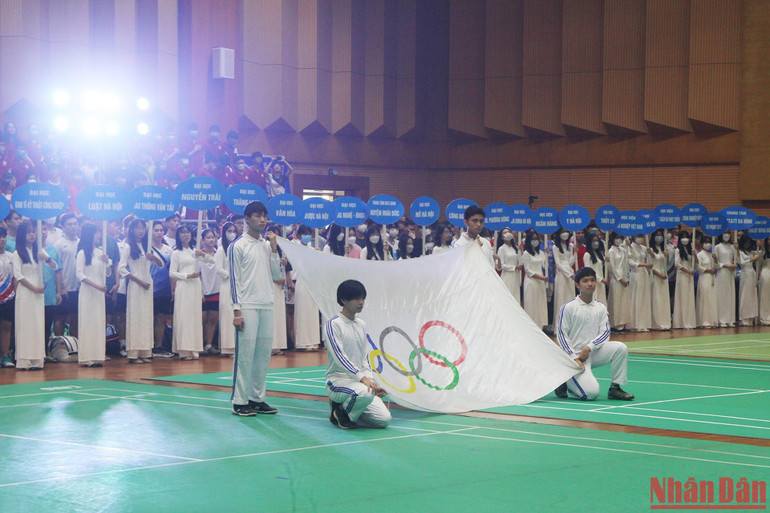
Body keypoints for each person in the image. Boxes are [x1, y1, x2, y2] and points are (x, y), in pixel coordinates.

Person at [229, 201, 282, 416]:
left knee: (262, 357)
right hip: (247, 307)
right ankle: (239, 401)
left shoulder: (266, 245)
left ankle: (257, 398)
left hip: (266, 304)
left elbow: (277, 276)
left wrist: (274, 250)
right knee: (245, 356)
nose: (262, 220)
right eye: (258, 216)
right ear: (247, 219)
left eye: (265, 216)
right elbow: (234, 280)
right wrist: (237, 311)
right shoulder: (238, 245)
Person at [556, 266, 634, 401]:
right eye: (585, 281)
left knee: (620, 348)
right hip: (575, 357)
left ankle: (615, 388)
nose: (590, 284)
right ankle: (565, 379)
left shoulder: (601, 308)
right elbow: (561, 335)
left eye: (592, 280)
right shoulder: (568, 307)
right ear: (577, 285)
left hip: (592, 352)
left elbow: (605, 333)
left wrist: (589, 347)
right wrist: (574, 357)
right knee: (591, 394)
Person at [325, 279, 391, 429]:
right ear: (343, 300)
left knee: (384, 419)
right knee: (365, 393)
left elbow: (364, 358)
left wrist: (372, 381)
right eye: (356, 298)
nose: (361, 302)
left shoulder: (361, 324)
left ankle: (350, 407)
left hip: (359, 384)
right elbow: (340, 357)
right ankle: (340, 410)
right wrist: (363, 379)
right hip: (337, 381)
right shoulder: (333, 324)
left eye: (362, 298)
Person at [14, 221, 57, 369]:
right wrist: (34, 288)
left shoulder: (38, 251)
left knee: (38, 324)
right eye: (29, 232)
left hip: (38, 294)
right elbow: (18, 276)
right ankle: (25, 360)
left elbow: (54, 266)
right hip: (26, 293)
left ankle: (38, 359)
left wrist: (46, 258)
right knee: (26, 325)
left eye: (33, 232)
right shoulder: (17, 253)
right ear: (22, 234)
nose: (32, 235)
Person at [120, 219, 163, 364]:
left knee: (146, 317)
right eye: (137, 228)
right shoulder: (128, 246)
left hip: (148, 285)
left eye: (142, 228)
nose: (140, 231)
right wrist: (138, 280)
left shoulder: (146, 246)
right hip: (136, 285)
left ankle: (145, 351)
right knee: (136, 317)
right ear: (131, 230)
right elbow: (121, 268)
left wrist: (154, 257)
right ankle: (133, 353)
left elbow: (161, 264)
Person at [170, 225, 212, 360]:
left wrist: (203, 254)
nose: (185, 235)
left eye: (187, 233)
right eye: (182, 233)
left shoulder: (195, 251)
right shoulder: (176, 253)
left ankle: (194, 348)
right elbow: (172, 273)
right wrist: (187, 276)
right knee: (184, 317)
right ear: (178, 236)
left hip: (195, 287)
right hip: (183, 286)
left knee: (195, 318)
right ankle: (184, 350)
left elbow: (212, 261)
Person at [76, 223, 112, 367]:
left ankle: (98, 355)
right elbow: (79, 274)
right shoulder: (82, 253)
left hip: (99, 293)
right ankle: (86, 357)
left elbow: (106, 274)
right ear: (90, 234)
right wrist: (96, 286)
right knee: (87, 322)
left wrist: (107, 263)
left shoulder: (99, 252)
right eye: (97, 233)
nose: (99, 235)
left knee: (98, 322)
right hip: (87, 291)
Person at [149, 221, 174, 357]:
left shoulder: (168, 249)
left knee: (161, 319)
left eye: (160, 230)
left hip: (164, 289)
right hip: (149, 288)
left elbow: (171, 269)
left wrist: (172, 289)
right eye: (156, 230)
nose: (159, 233)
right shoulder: (146, 248)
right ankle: (148, 345)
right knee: (148, 318)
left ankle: (158, 347)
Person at [54, 213, 80, 337]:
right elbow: (56, 268)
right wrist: (62, 287)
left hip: (78, 287)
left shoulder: (81, 243)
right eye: (70, 224)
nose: (73, 227)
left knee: (76, 317)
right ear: (63, 227)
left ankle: (74, 345)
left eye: (75, 223)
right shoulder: (58, 244)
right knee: (60, 318)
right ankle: (58, 344)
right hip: (64, 288)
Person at [215, 222, 237, 356]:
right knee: (227, 315)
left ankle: (236, 345)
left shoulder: (237, 248)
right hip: (226, 284)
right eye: (229, 230)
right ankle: (226, 347)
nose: (232, 233)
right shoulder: (221, 249)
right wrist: (229, 275)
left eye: (234, 230)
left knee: (236, 314)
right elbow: (218, 269)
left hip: (238, 285)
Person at [199, 228, 221, 354]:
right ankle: (200, 344)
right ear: (203, 240)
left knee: (212, 320)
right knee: (201, 319)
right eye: (208, 237)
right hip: (203, 291)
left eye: (213, 237)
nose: (211, 239)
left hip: (216, 291)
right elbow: (198, 274)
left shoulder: (218, 254)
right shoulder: (199, 255)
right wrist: (200, 291)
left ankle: (209, 344)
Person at [521, 231, 549, 329]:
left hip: (540, 282)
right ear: (529, 240)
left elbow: (545, 265)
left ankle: (540, 327)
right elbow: (528, 270)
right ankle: (530, 328)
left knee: (540, 304)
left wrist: (546, 254)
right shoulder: (526, 253)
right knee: (531, 304)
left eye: (536, 239)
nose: (535, 241)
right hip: (531, 282)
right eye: (533, 239)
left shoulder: (540, 252)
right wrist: (541, 277)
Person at [627, 234, 652, 332]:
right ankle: (635, 324)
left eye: (641, 235)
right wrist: (644, 264)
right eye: (638, 235)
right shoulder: (630, 247)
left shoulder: (644, 248)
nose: (640, 237)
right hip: (636, 273)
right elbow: (631, 263)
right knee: (637, 297)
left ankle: (644, 323)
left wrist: (651, 253)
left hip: (644, 273)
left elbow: (651, 260)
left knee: (644, 298)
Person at [672, 231, 696, 329]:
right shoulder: (677, 250)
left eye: (687, 237)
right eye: (683, 237)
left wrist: (695, 255)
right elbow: (677, 264)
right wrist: (688, 271)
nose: (685, 239)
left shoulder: (691, 250)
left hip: (690, 276)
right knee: (682, 297)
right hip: (682, 275)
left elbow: (695, 263)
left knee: (689, 298)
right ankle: (681, 322)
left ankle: (690, 322)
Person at [607, 232, 631, 331]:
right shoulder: (611, 251)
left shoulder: (622, 250)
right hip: (616, 279)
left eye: (620, 238)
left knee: (623, 302)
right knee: (616, 301)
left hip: (624, 277)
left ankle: (623, 323)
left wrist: (626, 278)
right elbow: (612, 266)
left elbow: (626, 262)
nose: (619, 240)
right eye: (617, 238)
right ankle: (615, 324)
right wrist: (620, 278)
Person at [649, 230, 671, 330]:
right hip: (656, 277)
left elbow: (665, 264)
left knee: (663, 300)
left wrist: (667, 256)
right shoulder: (650, 249)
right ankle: (656, 323)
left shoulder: (663, 249)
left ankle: (665, 322)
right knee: (657, 300)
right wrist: (659, 274)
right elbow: (650, 266)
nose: (659, 237)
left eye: (661, 236)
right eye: (657, 235)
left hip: (664, 277)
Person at [552, 228, 576, 321]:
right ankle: (559, 325)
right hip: (561, 275)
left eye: (566, 231)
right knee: (561, 299)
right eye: (563, 232)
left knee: (570, 298)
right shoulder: (555, 247)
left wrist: (575, 254)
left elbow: (570, 262)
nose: (565, 234)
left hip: (570, 275)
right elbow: (558, 264)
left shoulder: (570, 246)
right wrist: (569, 274)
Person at [715, 232, 738, 327]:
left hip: (730, 273)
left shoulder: (732, 247)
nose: (726, 235)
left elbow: (737, 259)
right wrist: (724, 265)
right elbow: (715, 263)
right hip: (722, 272)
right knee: (722, 295)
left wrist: (737, 249)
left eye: (728, 233)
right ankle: (722, 320)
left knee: (730, 295)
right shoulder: (717, 247)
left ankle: (730, 319)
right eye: (724, 233)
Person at [0, 227, 15, 367]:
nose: (2, 240)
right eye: (0, 237)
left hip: (8, 298)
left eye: (4, 237)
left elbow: (15, 278)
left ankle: (5, 356)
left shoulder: (11, 257)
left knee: (6, 327)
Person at [737, 234, 760, 326]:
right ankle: (743, 318)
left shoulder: (751, 252)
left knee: (752, 296)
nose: (747, 244)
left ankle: (751, 317)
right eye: (745, 242)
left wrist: (759, 244)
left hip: (752, 274)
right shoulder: (740, 252)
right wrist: (752, 259)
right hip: (745, 274)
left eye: (748, 243)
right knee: (744, 295)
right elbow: (741, 262)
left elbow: (761, 253)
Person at [696, 236, 719, 328]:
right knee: (705, 298)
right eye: (706, 242)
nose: (708, 244)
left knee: (712, 298)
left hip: (712, 279)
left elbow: (717, 266)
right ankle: (704, 321)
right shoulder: (700, 255)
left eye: (709, 242)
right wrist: (707, 270)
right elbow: (698, 266)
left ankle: (712, 320)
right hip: (704, 277)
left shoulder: (711, 255)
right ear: (702, 244)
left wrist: (716, 259)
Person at [497, 227, 522, 304]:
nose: (507, 233)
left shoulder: (515, 248)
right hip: (507, 276)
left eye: (508, 231)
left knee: (516, 298)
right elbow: (502, 266)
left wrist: (521, 250)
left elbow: (520, 261)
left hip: (515, 276)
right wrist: (514, 267)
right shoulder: (501, 249)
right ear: (502, 236)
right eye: (505, 232)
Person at [582, 233, 607, 305]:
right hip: (593, 282)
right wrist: (600, 279)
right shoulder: (587, 255)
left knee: (601, 301)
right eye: (594, 241)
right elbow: (589, 271)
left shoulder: (599, 254)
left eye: (597, 241)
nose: (596, 243)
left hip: (601, 283)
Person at [759, 238, 770, 325]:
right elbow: (759, 264)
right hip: (765, 274)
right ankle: (764, 317)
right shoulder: (762, 252)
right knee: (765, 296)